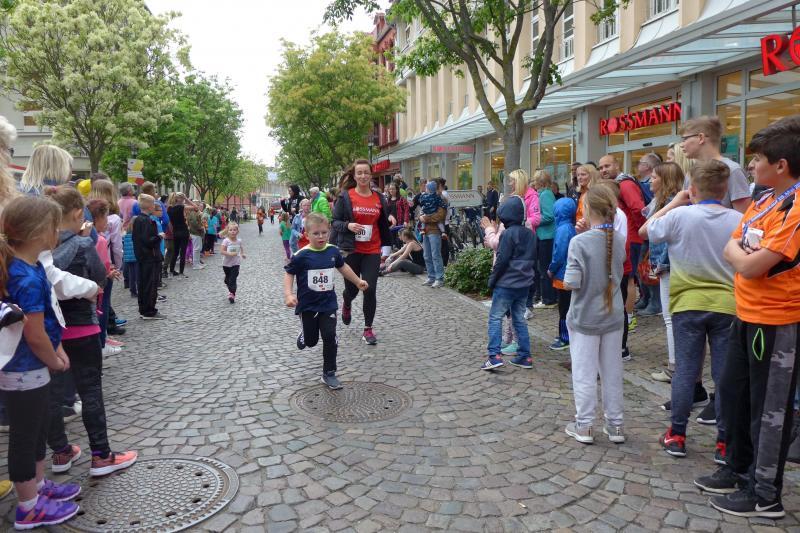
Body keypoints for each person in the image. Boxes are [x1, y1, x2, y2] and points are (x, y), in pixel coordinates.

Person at [695, 115, 800, 519]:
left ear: (781, 165)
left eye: (757, 159)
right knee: (734, 395)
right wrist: (744, 254)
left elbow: (753, 265)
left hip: (777, 322)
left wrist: (743, 255)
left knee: (767, 410)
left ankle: (764, 493)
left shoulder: (795, 207)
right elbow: (732, 246)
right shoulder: (765, 198)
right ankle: (737, 469)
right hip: (745, 313)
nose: (751, 166)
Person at [641, 160, 741, 463]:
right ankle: (724, 442)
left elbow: (646, 230)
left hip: (687, 303)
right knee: (724, 375)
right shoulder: (738, 219)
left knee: (686, 370)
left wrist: (674, 202)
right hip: (727, 305)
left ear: (692, 189)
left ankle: (677, 434)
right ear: (724, 189)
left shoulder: (679, 215)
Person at [0, 196, 84, 530]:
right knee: (25, 437)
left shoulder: (29, 267)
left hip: (32, 368)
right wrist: (55, 359)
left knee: (36, 433)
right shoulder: (25, 276)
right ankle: (28, 507)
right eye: (53, 227)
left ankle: (37, 486)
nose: (58, 232)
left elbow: (46, 320)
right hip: (25, 369)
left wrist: (57, 347)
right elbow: (34, 333)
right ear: (37, 232)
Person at [45, 187, 138, 479]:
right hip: (82, 327)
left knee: (53, 395)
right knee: (90, 391)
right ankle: (101, 455)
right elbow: (99, 277)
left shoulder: (40, 246)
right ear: (77, 214)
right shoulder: (83, 244)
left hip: (51, 331)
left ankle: (61, 452)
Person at [563, 185, 627, 445]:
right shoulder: (619, 240)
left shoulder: (579, 242)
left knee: (584, 373)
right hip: (613, 316)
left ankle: (585, 424)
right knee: (612, 372)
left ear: (588, 209)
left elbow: (572, 282)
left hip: (585, 316)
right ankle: (615, 425)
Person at [284, 212, 368, 390]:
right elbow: (289, 273)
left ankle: (329, 373)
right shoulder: (301, 255)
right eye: (316, 233)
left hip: (328, 303)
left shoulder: (332, 251)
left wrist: (357, 281)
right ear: (307, 234)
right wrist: (289, 295)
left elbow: (343, 267)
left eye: (324, 232)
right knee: (311, 341)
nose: (320, 236)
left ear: (329, 232)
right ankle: (305, 334)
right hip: (308, 305)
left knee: (330, 336)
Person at [330, 159, 393, 345]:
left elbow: (382, 222)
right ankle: (347, 301)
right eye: (360, 173)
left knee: (369, 288)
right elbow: (334, 222)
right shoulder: (345, 197)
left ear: (371, 175)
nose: (363, 176)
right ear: (354, 175)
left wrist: (390, 219)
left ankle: (368, 329)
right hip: (351, 250)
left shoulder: (379, 198)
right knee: (352, 290)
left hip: (372, 250)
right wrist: (348, 225)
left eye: (366, 172)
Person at [639, 162, 684, 384]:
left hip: (669, 266)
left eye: (655, 177)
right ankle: (677, 362)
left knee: (670, 318)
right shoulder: (663, 202)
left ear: (665, 180)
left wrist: (660, 264)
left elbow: (646, 231)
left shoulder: (670, 205)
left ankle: (674, 366)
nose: (650, 180)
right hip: (670, 265)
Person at [481, 194, 536, 371]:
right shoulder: (530, 234)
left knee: (495, 318)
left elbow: (502, 260)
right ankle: (525, 356)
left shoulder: (507, 234)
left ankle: (494, 356)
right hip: (523, 285)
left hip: (506, 284)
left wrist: (492, 280)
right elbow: (533, 261)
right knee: (519, 319)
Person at [597, 155, 645, 357]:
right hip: (620, 252)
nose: (603, 169)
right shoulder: (612, 208)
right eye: (601, 167)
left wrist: (640, 231)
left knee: (624, 291)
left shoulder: (624, 186)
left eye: (607, 165)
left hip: (627, 248)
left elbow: (638, 209)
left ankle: (622, 344)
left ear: (617, 165)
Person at [679, 116, 751, 213]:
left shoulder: (733, 170)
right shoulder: (691, 173)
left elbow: (744, 216)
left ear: (701, 138)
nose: (681, 144)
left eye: (684, 139)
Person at [548, 197, 578, 351]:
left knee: (564, 307)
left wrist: (551, 269)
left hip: (562, 275)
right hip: (569, 273)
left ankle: (565, 337)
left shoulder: (562, 230)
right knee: (568, 305)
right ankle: (568, 334)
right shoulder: (571, 227)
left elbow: (559, 253)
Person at [132, 194, 165, 320]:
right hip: (150, 257)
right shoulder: (146, 220)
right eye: (153, 204)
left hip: (143, 257)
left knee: (144, 284)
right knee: (150, 285)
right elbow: (148, 240)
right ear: (149, 206)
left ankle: (144, 309)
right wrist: (159, 236)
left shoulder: (138, 220)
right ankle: (149, 311)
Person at [533, 170, 556, 310]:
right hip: (544, 236)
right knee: (543, 268)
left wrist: (533, 220)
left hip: (546, 237)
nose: (534, 183)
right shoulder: (542, 194)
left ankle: (548, 299)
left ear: (541, 182)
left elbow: (549, 216)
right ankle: (548, 297)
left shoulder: (546, 194)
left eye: (535, 180)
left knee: (544, 269)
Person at [419, 182, 446, 288]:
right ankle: (431, 277)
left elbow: (440, 216)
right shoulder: (426, 198)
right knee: (427, 255)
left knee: (435, 255)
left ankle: (439, 278)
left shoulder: (440, 200)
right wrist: (421, 216)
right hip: (425, 230)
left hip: (435, 230)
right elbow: (421, 210)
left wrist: (425, 218)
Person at [166, 192, 197, 278]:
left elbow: (170, 224)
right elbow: (195, 207)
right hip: (183, 231)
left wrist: (173, 231)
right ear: (178, 199)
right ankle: (181, 273)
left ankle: (171, 272)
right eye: (182, 198)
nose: (183, 199)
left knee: (175, 252)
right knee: (182, 252)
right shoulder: (181, 207)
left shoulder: (169, 209)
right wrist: (187, 199)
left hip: (175, 232)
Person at [221, 222, 246, 304]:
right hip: (226, 264)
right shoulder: (226, 241)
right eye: (231, 230)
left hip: (236, 263)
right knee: (228, 279)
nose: (232, 231)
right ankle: (227, 280)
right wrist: (229, 254)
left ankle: (232, 294)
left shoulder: (239, 241)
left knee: (233, 279)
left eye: (234, 230)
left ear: (237, 231)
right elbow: (222, 251)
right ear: (228, 231)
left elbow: (241, 248)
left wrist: (242, 254)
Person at [187, 203, 205, 270]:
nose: (198, 207)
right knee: (196, 249)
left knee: (198, 248)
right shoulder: (193, 213)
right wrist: (201, 227)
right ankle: (195, 264)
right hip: (195, 233)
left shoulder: (195, 213)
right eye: (197, 205)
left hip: (197, 233)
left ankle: (197, 263)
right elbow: (194, 223)